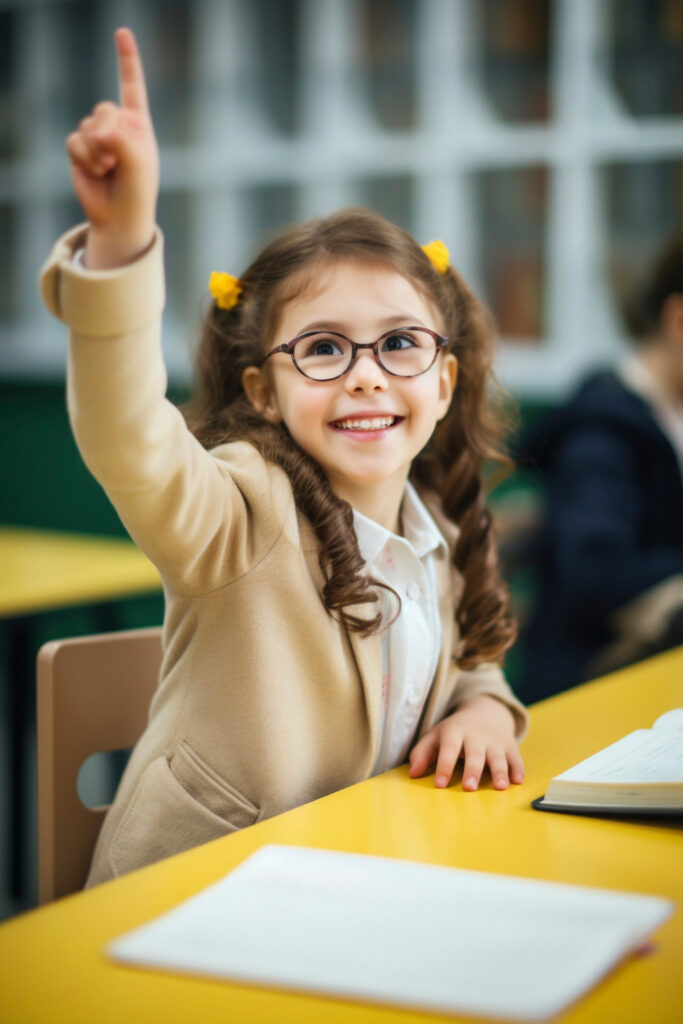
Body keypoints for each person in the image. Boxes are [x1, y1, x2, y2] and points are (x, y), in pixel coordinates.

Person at [41, 28, 528, 887]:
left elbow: (460, 661)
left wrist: (485, 707)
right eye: (324, 349)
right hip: (196, 899)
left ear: (443, 381)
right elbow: (125, 432)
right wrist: (118, 251)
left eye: (399, 345)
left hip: (357, 883)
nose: (367, 377)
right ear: (263, 391)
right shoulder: (237, 511)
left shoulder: (433, 528)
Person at [516, 234, 683, 703]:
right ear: (679, 321)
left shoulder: (667, 412)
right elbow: (593, 572)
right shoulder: (603, 433)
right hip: (585, 692)